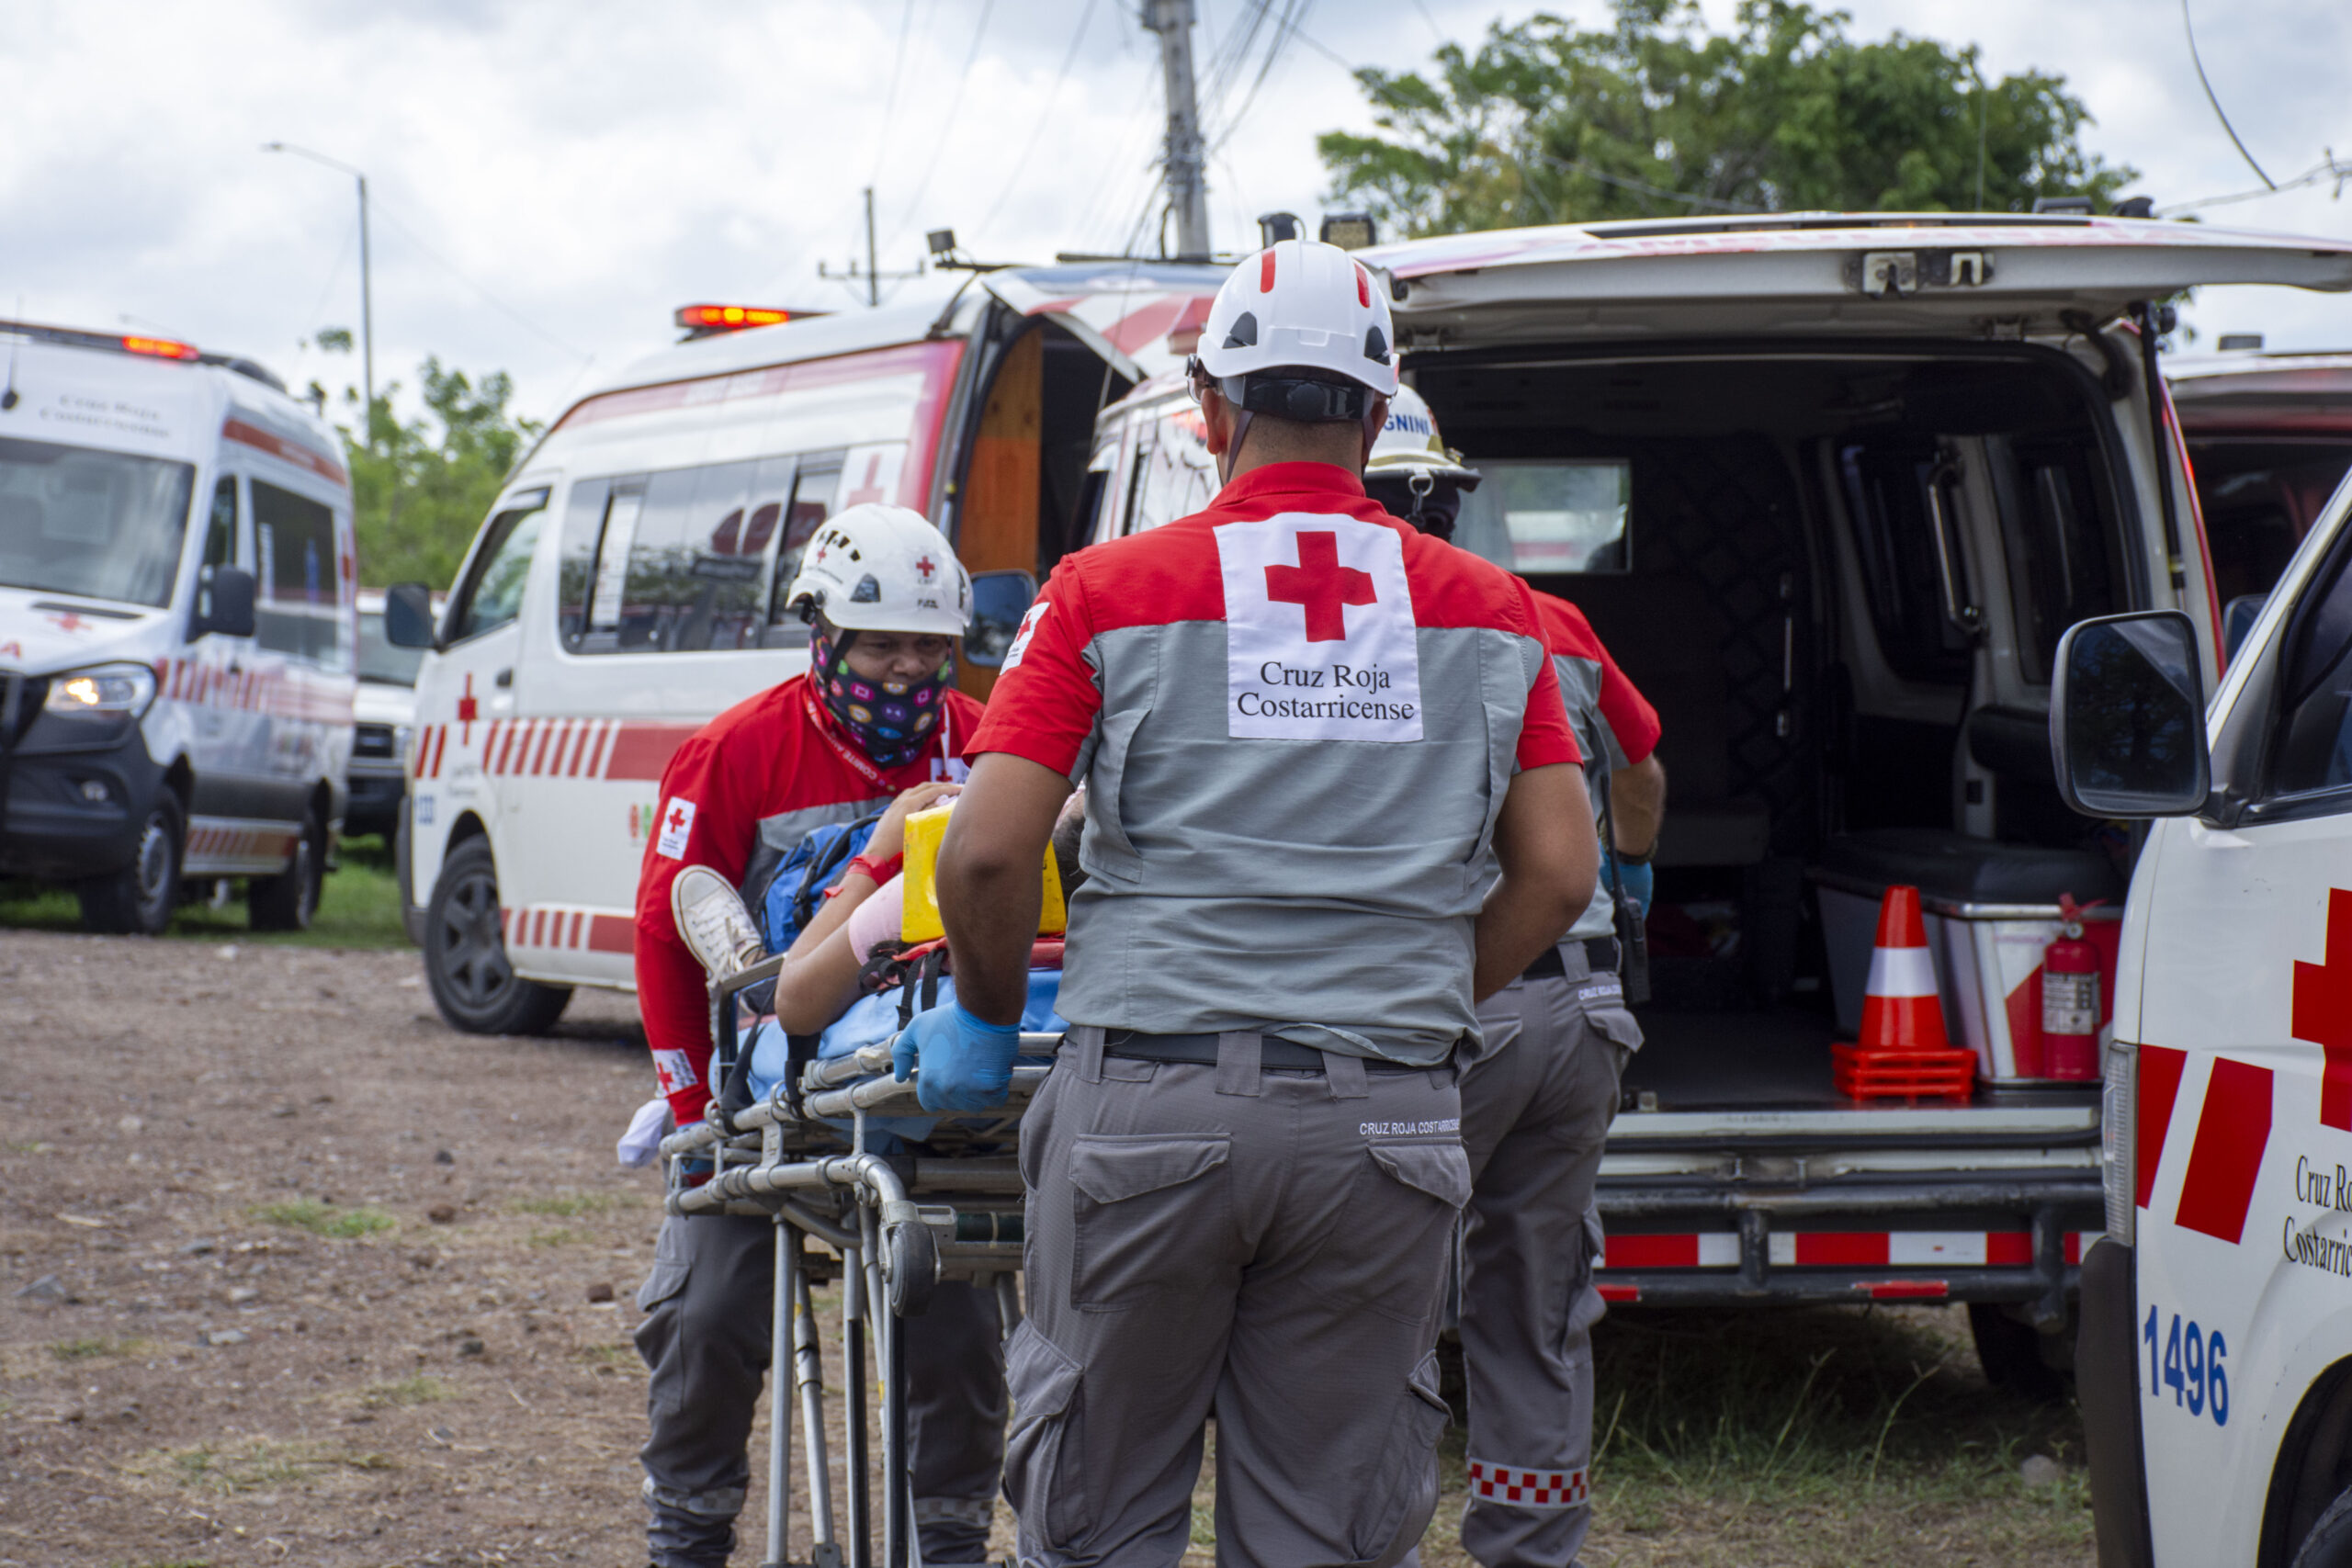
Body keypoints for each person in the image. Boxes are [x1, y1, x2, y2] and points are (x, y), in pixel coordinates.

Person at [902, 236, 1599, 1565]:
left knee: (1098, 1515)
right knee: (1324, 1529)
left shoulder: (1104, 591)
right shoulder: (1496, 611)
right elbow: (1562, 873)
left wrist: (985, 1019)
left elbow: (985, 854)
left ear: (1211, 410)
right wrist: (1418, 998)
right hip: (1388, 1124)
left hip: (1148, 1111)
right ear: (1379, 415)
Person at [628, 502, 1006, 1568]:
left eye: (928, 647)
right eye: (881, 645)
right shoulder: (735, 752)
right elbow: (664, 929)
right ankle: (688, 1532)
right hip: (765, 1098)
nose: (906, 670)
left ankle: (949, 1541)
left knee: (960, 1320)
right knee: (705, 1311)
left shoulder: (985, 746)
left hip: (925, 1085)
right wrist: (695, 1109)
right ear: (822, 633)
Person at [1366, 389, 1668, 1568]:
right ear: (1448, 499)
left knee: (1376, 1302)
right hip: (1583, 1007)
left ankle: (1363, 1541)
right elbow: (1640, 765)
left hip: (1456, 1002)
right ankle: (1532, 1549)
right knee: (1536, 1304)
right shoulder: (1547, 619)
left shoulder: (1346, 635)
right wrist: (1627, 874)